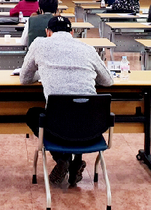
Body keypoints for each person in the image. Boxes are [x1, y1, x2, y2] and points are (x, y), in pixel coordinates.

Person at [20, 16, 113, 187]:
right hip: (92, 128)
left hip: (58, 128)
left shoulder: (39, 44)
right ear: (72, 33)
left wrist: (43, 72)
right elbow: (108, 81)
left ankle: (62, 159)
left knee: (34, 114)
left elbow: (24, 79)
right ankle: (76, 162)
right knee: (79, 108)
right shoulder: (87, 48)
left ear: (48, 32)